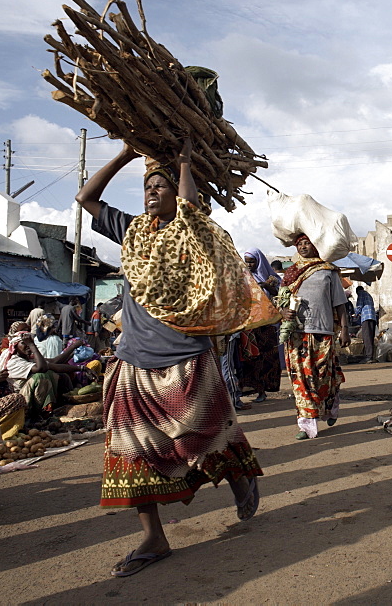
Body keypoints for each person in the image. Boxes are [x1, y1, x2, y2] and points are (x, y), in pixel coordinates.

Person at [77, 140, 263, 577]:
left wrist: (183, 162)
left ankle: (240, 478)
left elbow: (192, 210)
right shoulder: (132, 230)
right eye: (148, 186)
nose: (153, 192)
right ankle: (153, 537)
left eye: (162, 186)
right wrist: (124, 156)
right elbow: (86, 199)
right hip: (133, 360)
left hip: (187, 356)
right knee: (130, 451)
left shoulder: (191, 232)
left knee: (204, 435)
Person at [278, 233, 350, 440]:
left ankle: (330, 405)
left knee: (323, 376)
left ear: (315, 245)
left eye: (306, 243)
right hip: (296, 333)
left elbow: (340, 304)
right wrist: (283, 312)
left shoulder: (328, 271)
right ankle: (306, 424)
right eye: (299, 244)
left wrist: (344, 329)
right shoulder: (290, 273)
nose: (302, 247)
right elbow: (280, 301)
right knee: (300, 378)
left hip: (323, 331)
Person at [0, 322, 91, 418]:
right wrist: (32, 345)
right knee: (41, 376)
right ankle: (39, 414)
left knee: (61, 375)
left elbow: (53, 364)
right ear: (15, 346)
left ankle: (64, 405)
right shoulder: (14, 361)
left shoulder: (28, 357)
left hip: (29, 394)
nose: (28, 346)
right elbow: (42, 368)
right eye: (24, 343)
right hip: (20, 400)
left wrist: (82, 368)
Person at [241, 248, 282, 402]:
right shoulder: (244, 278)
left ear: (258, 261)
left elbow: (280, 293)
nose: (249, 264)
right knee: (251, 357)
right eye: (247, 261)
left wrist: (265, 285)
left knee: (267, 357)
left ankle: (264, 389)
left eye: (252, 261)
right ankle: (252, 388)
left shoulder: (271, 278)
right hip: (251, 324)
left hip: (268, 325)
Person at [354, 285, 378, 364]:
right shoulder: (369, 295)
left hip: (366, 317)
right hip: (372, 317)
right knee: (371, 337)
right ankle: (371, 356)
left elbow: (359, 305)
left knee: (366, 337)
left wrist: (356, 314)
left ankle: (368, 357)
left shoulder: (361, 294)